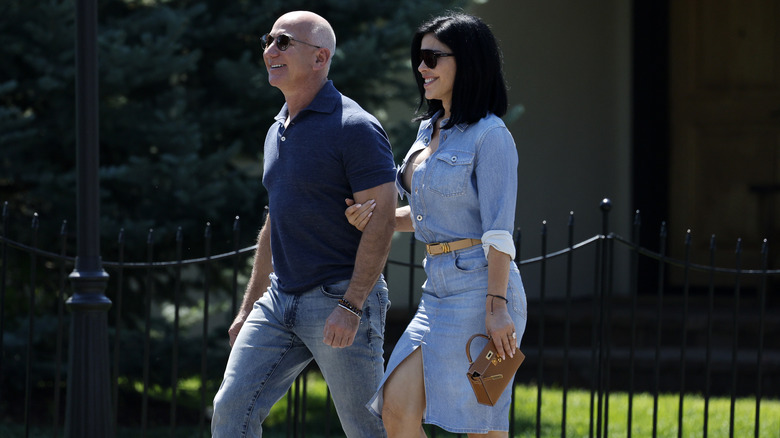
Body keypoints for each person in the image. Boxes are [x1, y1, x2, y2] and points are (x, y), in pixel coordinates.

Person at [211, 11, 397, 438]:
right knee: (230, 409)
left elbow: (382, 221)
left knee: (366, 428)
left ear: (320, 58)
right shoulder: (278, 128)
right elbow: (276, 220)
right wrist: (248, 307)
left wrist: (351, 306)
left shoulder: (355, 127)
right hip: (279, 302)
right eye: (269, 40)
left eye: (283, 42)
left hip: (338, 298)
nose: (269, 50)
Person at [345, 12, 527, 438]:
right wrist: (377, 220)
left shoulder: (491, 135)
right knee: (396, 409)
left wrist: (497, 309)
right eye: (418, 58)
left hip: (483, 293)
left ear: (467, 61)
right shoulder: (428, 130)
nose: (421, 68)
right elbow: (429, 214)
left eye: (432, 57)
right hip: (436, 292)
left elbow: (498, 232)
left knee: (480, 425)